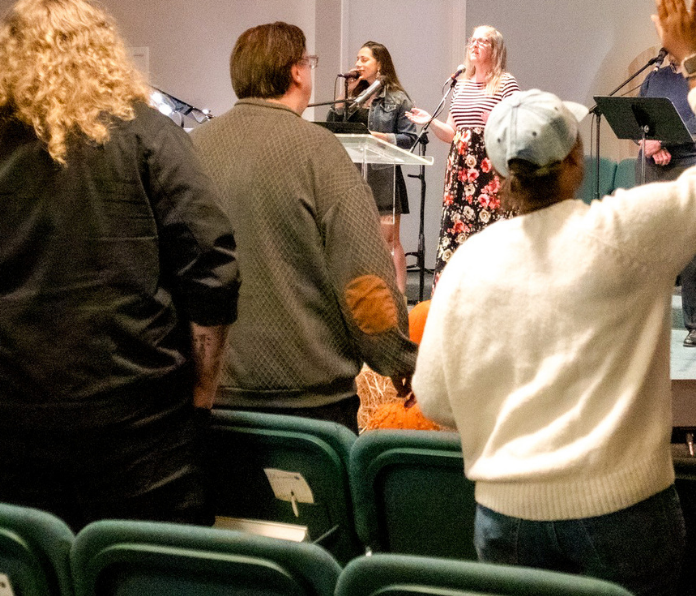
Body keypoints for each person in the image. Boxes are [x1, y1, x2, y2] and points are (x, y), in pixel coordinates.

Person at [413, 0, 696, 596]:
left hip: (504, 514)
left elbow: (434, 399)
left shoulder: (466, 262)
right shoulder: (623, 230)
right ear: (575, 162)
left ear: (496, 174)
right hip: (623, 511)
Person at [0, 0, 239, 530]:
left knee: (40, 567)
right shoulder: (150, 138)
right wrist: (201, 394)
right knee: (147, 571)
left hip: (4, 427)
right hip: (140, 425)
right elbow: (213, 270)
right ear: (103, 53)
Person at [191, 22, 415, 433]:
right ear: (297, 71)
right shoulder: (320, 152)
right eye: (309, 62)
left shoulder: (192, 149)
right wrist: (398, 360)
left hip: (208, 401)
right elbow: (365, 282)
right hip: (309, 408)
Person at [406, 26, 520, 282]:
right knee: (459, 231)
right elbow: (451, 132)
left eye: (483, 41)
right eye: (473, 40)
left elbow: (520, 122)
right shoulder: (461, 85)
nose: (475, 44)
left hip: (490, 169)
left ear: (495, 49)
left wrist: (499, 120)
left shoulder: (505, 82)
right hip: (460, 171)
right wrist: (430, 121)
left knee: (489, 231)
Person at [329, 41, 424, 293]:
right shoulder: (354, 96)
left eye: (364, 59)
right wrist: (345, 95)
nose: (358, 64)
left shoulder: (397, 98)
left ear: (380, 64)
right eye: (357, 59)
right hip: (352, 177)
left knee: (389, 241)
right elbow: (333, 127)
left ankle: (398, 299)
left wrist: (380, 137)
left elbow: (410, 138)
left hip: (383, 178)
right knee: (354, 241)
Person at [637, 53, 696, 348]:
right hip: (651, 164)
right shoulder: (654, 76)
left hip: (687, 161)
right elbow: (635, 116)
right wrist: (646, 144)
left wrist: (664, 142)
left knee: (689, 243)